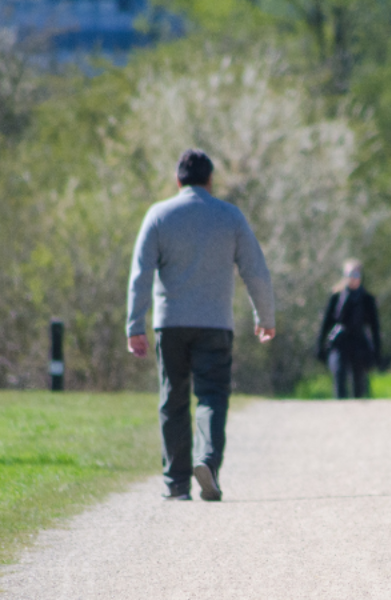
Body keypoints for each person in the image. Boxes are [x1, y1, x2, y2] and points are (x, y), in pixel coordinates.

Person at [126, 149, 276, 502]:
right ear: (210, 180)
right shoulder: (230, 216)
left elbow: (141, 274)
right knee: (212, 396)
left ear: (177, 180)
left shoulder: (159, 215)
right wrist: (265, 317)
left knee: (173, 399)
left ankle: (177, 484)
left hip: (170, 323)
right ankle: (206, 460)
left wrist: (135, 325)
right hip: (215, 324)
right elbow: (255, 270)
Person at [316, 259, 382, 399]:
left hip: (359, 343)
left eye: (355, 275)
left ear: (361, 277)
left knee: (359, 383)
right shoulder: (336, 297)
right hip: (340, 342)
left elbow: (374, 327)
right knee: (339, 374)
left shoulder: (367, 299)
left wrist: (377, 351)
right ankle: (340, 408)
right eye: (349, 275)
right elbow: (326, 323)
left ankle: (357, 410)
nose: (352, 278)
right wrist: (319, 345)